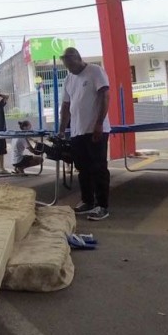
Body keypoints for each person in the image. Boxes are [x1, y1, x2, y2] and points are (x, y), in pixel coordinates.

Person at [59, 47, 111, 221]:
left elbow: (105, 96)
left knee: (98, 168)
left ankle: (102, 206)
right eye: (67, 66)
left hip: (95, 129)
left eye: (72, 64)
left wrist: (99, 124)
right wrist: (61, 129)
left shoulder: (95, 71)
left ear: (78, 58)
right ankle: (87, 201)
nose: (70, 69)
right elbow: (66, 106)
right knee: (83, 169)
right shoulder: (68, 78)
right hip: (77, 131)